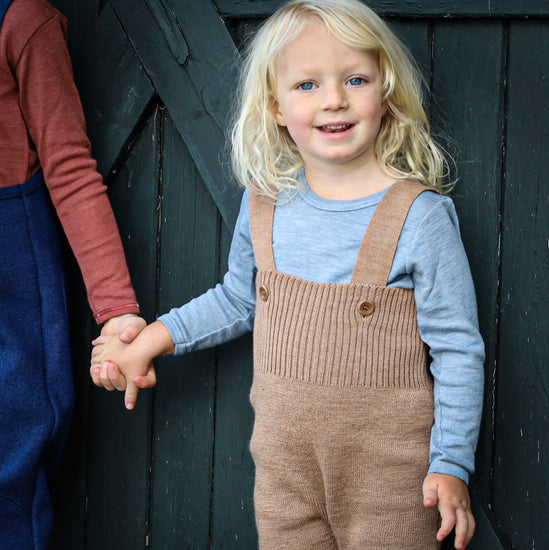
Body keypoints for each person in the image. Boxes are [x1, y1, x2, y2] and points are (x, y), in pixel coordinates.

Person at [91, 0, 485, 548]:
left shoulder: (418, 215)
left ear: (386, 93)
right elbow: (236, 298)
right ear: (275, 106)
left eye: (355, 78)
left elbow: (458, 348)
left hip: (393, 480)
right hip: (283, 472)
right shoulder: (267, 203)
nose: (333, 99)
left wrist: (451, 464)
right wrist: (150, 341)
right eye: (307, 84)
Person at [0, 0, 145, 548]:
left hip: (11, 273)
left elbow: (69, 166)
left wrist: (116, 308)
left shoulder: (21, 20)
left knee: (9, 473)